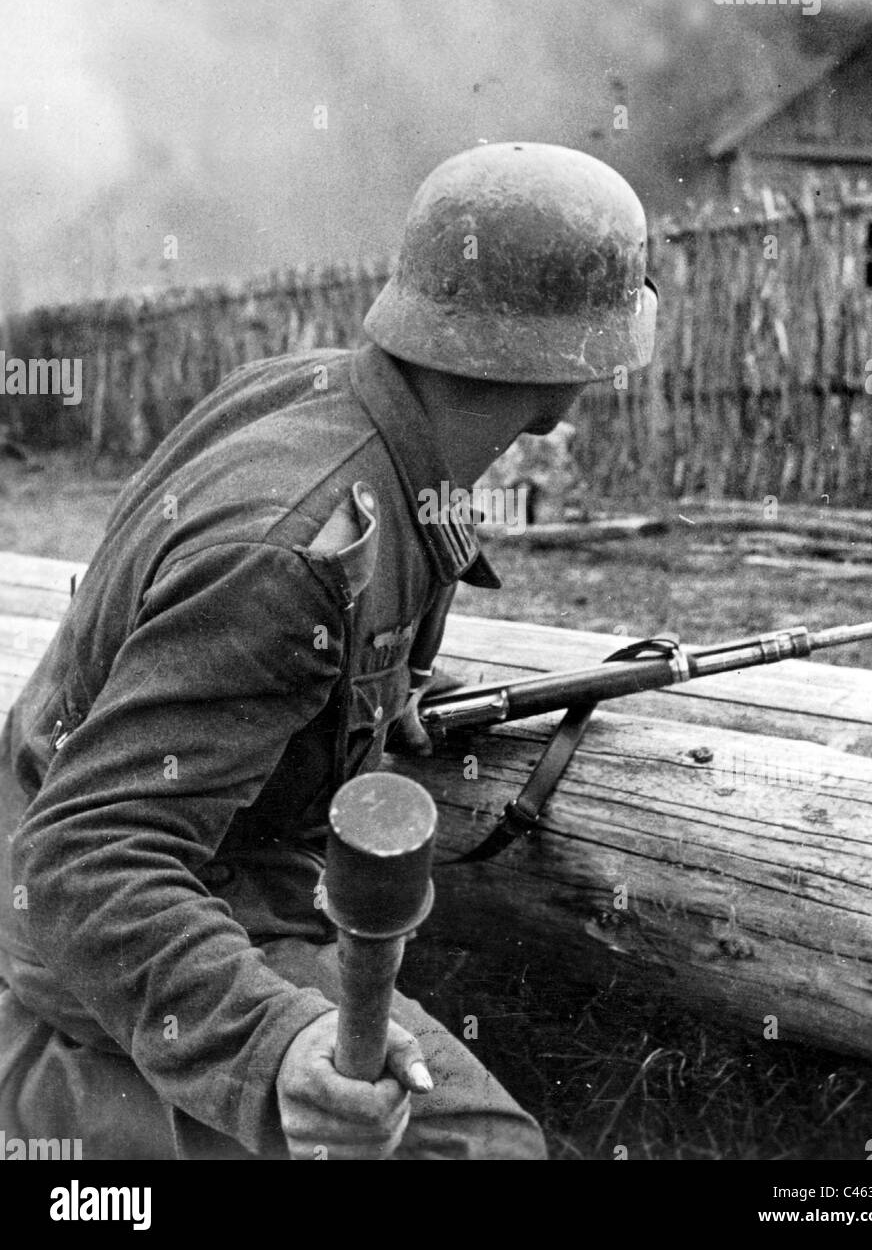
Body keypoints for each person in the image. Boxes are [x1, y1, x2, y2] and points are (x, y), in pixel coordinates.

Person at [0, 141, 657, 1160]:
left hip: (214, 887)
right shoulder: (293, 552)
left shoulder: (335, 403)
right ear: (567, 370)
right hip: (97, 965)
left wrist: (383, 695)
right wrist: (282, 1047)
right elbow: (87, 858)